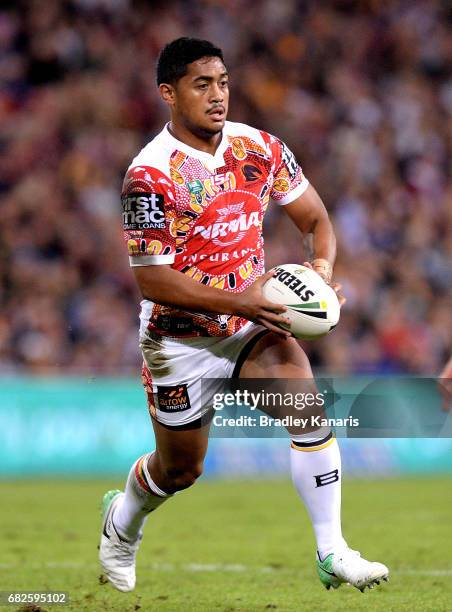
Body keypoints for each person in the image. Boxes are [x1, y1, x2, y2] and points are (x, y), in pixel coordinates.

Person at [99, 37, 389, 594]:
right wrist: (243, 301)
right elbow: (152, 279)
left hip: (252, 327)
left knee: (308, 411)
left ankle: (333, 551)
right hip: (178, 342)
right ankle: (123, 520)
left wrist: (321, 273)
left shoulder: (259, 148)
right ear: (169, 93)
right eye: (201, 84)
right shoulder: (149, 176)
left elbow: (315, 220)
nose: (218, 96)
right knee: (180, 471)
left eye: (224, 82)